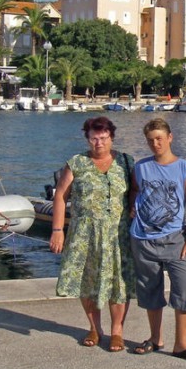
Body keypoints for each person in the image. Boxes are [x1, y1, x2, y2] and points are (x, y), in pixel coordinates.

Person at [49, 116, 136, 352]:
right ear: (87, 138)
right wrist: (57, 230)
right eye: (94, 138)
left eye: (104, 138)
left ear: (112, 137)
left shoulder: (126, 162)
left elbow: (135, 193)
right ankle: (94, 328)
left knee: (119, 282)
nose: (99, 143)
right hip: (83, 234)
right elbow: (60, 197)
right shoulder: (76, 163)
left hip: (118, 234)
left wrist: (134, 210)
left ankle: (117, 331)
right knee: (87, 281)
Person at [129, 118, 186, 362]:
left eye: (160, 138)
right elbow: (134, 191)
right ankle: (155, 338)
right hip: (143, 239)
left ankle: (182, 344)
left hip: (176, 240)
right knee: (150, 291)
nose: (156, 144)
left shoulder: (185, 168)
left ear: (170, 138)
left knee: (185, 287)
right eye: (151, 140)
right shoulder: (140, 167)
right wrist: (131, 207)